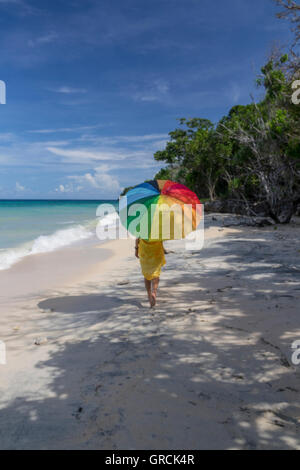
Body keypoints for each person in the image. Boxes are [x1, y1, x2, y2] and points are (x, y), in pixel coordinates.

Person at [135, 237, 166, 307]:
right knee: (156, 273)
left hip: (144, 251)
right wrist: (163, 249)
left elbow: (137, 239)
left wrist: (136, 250)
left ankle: (149, 295)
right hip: (156, 251)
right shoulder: (159, 228)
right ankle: (154, 292)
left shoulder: (143, 227)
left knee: (146, 274)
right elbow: (161, 239)